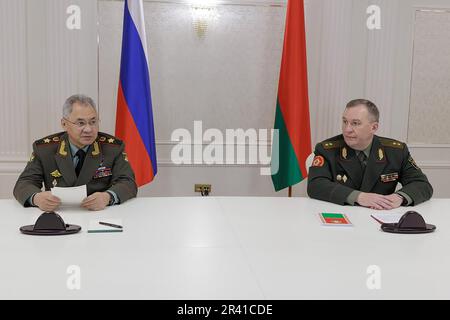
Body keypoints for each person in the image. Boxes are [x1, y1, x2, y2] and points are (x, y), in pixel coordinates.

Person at [14, 94, 137, 211]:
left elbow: (128, 182)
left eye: (93, 122)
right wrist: (37, 198)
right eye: (81, 123)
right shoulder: (45, 149)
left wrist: (108, 197)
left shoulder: (112, 148)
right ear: (64, 124)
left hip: (99, 214)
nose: (88, 129)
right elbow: (24, 183)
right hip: (58, 214)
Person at [307, 99, 433, 210]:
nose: (347, 129)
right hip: (341, 217)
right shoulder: (327, 150)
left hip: (382, 219)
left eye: (355, 123)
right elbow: (315, 185)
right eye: (345, 122)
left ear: (374, 127)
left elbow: (422, 184)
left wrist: (399, 197)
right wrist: (359, 197)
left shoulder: (396, 151)